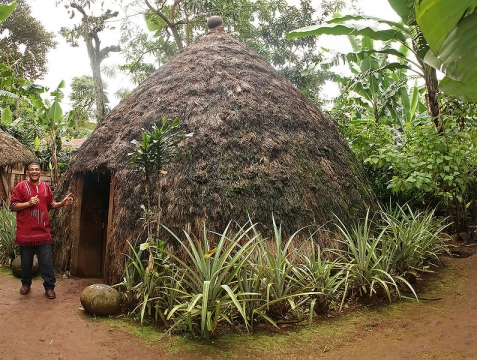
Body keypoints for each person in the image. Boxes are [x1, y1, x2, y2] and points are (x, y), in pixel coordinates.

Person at [10, 162, 73, 300]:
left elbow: (50, 204)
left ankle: (49, 287)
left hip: (43, 232)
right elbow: (13, 206)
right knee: (26, 262)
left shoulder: (46, 187)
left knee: (46, 261)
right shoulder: (20, 187)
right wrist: (28, 203)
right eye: (31, 170)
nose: (34, 171)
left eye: (36, 169)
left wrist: (62, 204)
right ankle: (26, 284)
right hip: (25, 232)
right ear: (27, 172)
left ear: (40, 172)